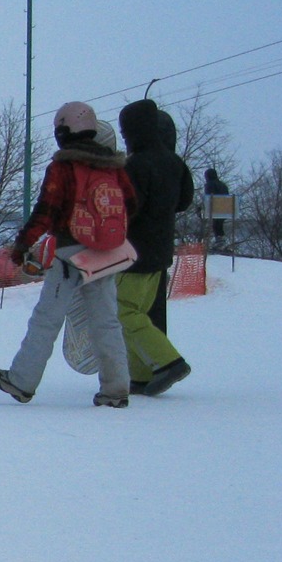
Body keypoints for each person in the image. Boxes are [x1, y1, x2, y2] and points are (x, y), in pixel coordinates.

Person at [0, 101, 133, 408]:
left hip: (69, 254)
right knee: (107, 322)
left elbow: (45, 212)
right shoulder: (113, 167)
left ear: (63, 130)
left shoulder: (63, 167)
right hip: (105, 255)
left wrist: (19, 249)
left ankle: (22, 380)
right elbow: (130, 205)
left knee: (46, 319)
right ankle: (116, 388)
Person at [116, 99, 193, 396]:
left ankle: (169, 362)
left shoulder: (136, 164)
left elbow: (127, 209)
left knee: (124, 310)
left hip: (135, 252)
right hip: (161, 250)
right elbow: (184, 201)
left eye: (125, 131)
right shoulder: (175, 163)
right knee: (143, 313)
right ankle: (141, 375)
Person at [204, 165, 231, 243]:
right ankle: (221, 240)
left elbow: (208, 198)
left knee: (216, 226)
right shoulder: (223, 185)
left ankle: (219, 241)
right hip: (226, 209)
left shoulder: (209, 184)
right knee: (219, 226)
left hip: (215, 208)